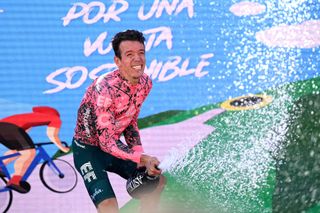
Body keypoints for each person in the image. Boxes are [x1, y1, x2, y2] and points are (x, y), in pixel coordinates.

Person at [72, 29, 166, 213]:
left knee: (157, 182)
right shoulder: (104, 89)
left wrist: (139, 155)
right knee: (109, 207)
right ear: (118, 61)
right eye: (129, 55)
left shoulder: (146, 83)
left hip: (113, 149)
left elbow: (130, 123)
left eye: (141, 53)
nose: (137, 59)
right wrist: (142, 157)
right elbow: (105, 141)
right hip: (88, 150)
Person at [0, 106, 70, 193]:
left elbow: (22, 134)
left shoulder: (30, 117)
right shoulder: (55, 118)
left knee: (18, 150)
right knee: (29, 153)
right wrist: (63, 148)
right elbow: (52, 135)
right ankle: (15, 181)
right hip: (10, 128)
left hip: (3, 126)